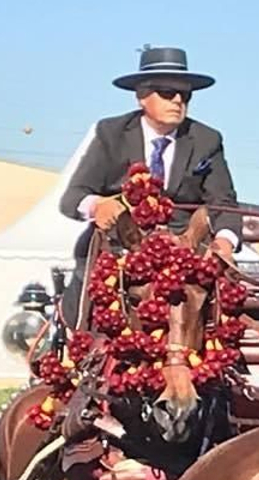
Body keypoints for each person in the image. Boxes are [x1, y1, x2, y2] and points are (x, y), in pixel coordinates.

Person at [57, 45, 243, 326]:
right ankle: (70, 349)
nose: (178, 100)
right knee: (81, 305)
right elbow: (73, 198)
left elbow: (223, 204)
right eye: (168, 93)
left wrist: (225, 241)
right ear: (141, 96)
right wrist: (97, 206)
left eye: (185, 94)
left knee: (224, 308)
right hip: (118, 253)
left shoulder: (207, 139)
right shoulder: (111, 134)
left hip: (185, 257)